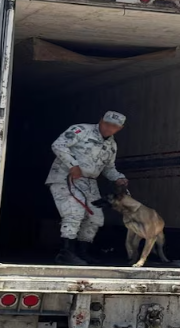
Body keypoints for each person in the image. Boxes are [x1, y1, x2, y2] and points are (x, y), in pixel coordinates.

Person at [47, 111, 130, 265]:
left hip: (89, 183)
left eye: (114, 126)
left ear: (120, 128)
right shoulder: (81, 130)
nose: (108, 128)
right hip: (66, 178)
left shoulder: (111, 145)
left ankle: (82, 252)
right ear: (100, 120)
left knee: (96, 218)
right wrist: (73, 165)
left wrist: (118, 177)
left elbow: (108, 168)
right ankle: (66, 253)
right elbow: (58, 145)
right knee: (74, 212)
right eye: (106, 124)